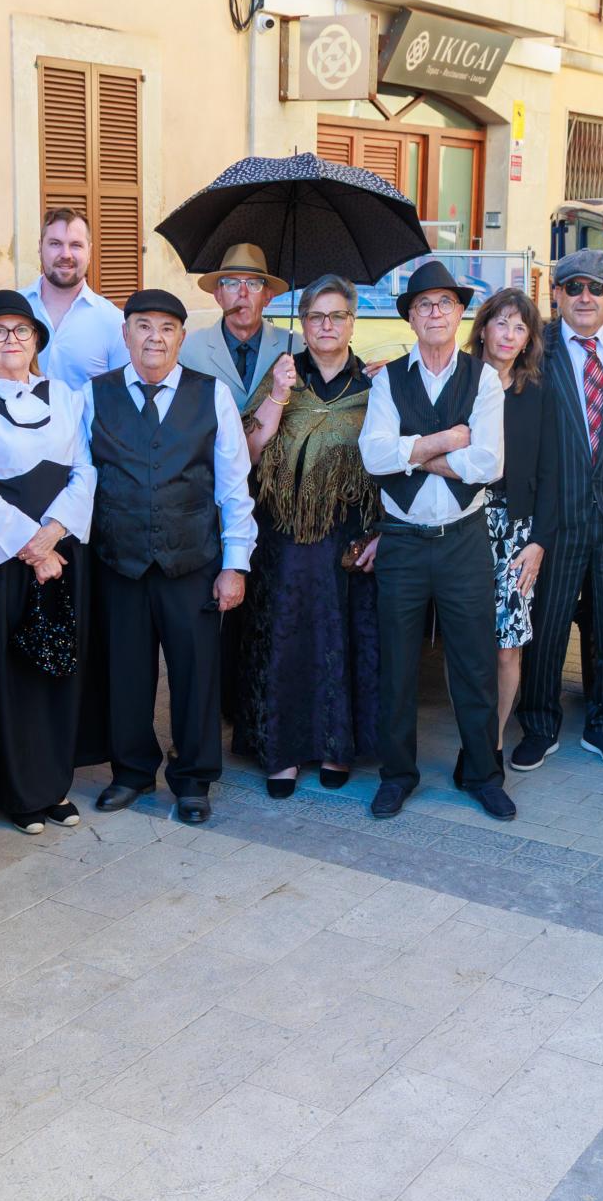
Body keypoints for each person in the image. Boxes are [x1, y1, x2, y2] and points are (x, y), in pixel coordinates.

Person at [86, 290, 257, 825]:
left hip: (193, 563)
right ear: (126, 334)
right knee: (127, 675)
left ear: (182, 337)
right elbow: (80, 479)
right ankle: (132, 772)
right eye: (142, 326)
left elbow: (233, 487)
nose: (154, 337)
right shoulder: (94, 395)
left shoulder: (213, 397)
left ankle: (193, 779)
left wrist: (235, 564)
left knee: (196, 673)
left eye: (166, 327)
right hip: (121, 562)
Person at [0, 291, 98, 833]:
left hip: (63, 554)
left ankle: (53, 786)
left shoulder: (67, 395)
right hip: (3, 559)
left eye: (21, 331)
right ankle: (18, 792)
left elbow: (85, 470)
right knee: (11, 676)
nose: (11, 340)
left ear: (37, 341)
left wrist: (53, 539)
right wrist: (32, 548)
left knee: (55, 670)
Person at [359, 260, 513, 820]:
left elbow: (489, 463)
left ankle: (482, 773)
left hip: (463, 541)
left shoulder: (485, 378)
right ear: (411, 317)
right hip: (401, 540)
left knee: (474, 663)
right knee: (396, 665)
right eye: (424, 304)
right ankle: (397, 774)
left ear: (458, 312)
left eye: (445, 303)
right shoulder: (390, 378)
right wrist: (446, 441)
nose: (435, 312)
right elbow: (374, 457)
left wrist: (414, 452)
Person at [232, 274, 380, 797]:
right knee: (285, 640)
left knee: (338, 638)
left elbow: (391, 468)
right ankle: (283, 753)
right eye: (316, 316)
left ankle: (335, 746)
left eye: (337, 316)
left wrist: (380, 532)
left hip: (345, 538)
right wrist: (275, 396)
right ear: (302, 324)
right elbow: (246, 453)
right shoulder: (283, 378)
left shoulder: (373, 386)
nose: (326, 325)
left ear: (351, 322)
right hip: (282, 539)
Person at [512, 249, 603, 773]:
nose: (584, 297)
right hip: (557, 514)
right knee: (545, 625)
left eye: (596, 288)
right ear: (555, 294)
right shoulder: (534, 348)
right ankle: (538, 723)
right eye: (573, 286)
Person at [467, 286, 562, 764]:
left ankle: (493, 742)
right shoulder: (457, 383)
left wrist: (539, 542)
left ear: (529, 341)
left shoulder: (536, 394)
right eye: (501, 322)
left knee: (507, 647)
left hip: (517, 534)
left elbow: (551, 474)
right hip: (462, 524)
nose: (509, 334)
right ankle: (471, 739)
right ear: (483, 327)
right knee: (467, 644)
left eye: (520, 327)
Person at [23, 208, 131, 390]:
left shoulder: (113, 322)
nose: (66, 254)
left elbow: (122, 397)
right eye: (55, 243)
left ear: (89, 251)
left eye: (76, 245)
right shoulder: (12, 309)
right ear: (40, 247)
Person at [178, 243, 294, 404]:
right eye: (232, 284)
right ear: (218, 296)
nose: (243, 293)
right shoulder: (189, 350)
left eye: (254, 284)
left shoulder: (294, 347)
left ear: (267, 297)